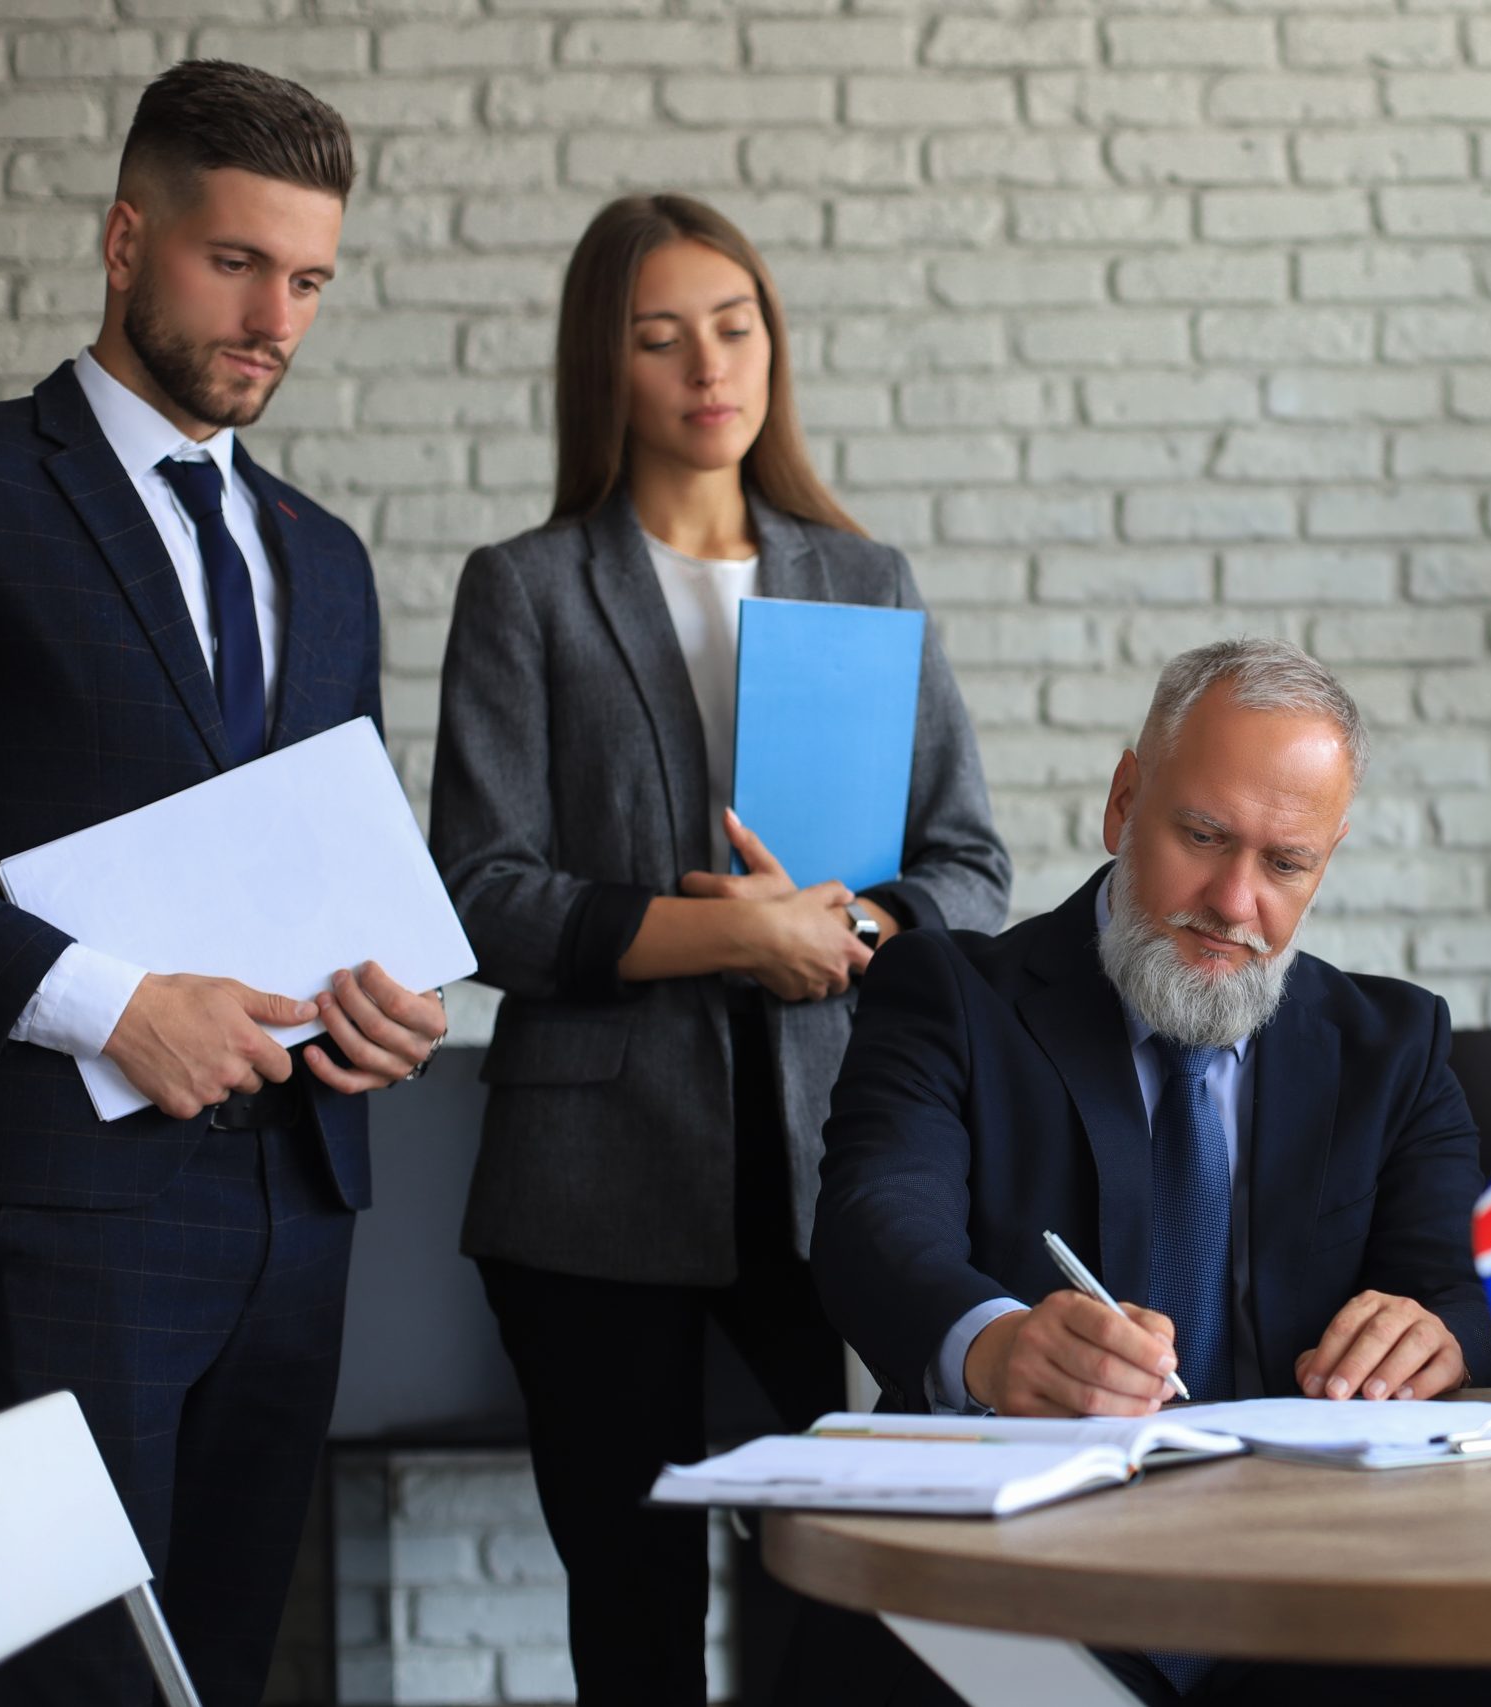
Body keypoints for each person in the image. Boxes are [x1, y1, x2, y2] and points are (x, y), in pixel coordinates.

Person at [427, 193, 1009, 1707]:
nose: (709, 365)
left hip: (832, 1171)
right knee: (631, 1610)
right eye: (659, 334)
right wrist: (729, 932)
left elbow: (969, 869)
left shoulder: (864, 581)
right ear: (600, 366)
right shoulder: (528, 589)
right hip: (587, 1191)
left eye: (735, 325)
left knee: (827, 1589)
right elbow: (479, 890)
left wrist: (849, 928)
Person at [0, 61, 448, 1707]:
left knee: (232, 1670)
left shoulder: (323, 556)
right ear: (127, 242)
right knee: (68, 1676)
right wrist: (110, 1005)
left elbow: (337, 862)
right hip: (57, 1220)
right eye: (236, 262)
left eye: (311, 279)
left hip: (297, 1218)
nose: (277, 316)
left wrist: (393, 999)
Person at [816, 638, 1491, 1706]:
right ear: (1123, 801)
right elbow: (872, 1226)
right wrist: (994, 1347)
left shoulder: (1394, 1043)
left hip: (1318, 1597)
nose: (1235, 903)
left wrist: (1443, 1332)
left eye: (1286, 864)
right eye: (1202, 836)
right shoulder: (949, 994)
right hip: (1019, 1582)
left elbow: (1473, 1280)